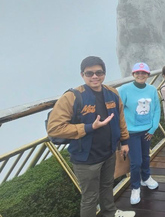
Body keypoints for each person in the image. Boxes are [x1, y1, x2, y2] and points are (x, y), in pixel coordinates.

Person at [47, 56, 135, 217]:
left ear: (104, 74)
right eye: (89, 73)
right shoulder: (72, 97)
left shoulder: (112, 93)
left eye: (99, 72)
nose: (95, 76)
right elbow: (54, 129)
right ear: (82, 75)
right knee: (90, 197)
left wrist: (124, 141)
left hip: (108, 153)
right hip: (86, 158)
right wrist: (89, 127)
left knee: (107, 185)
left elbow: (120, 118)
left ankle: (110, 212)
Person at [118, 62, 161, 205]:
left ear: (148, 75)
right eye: (138, 73)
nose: (141, 75)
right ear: (133, 74)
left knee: (145, 157)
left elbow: (156, 109)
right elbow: (118, 111)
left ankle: (146, 178)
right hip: (131, 132)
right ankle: (135, 187)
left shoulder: (152, 90)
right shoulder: (124, 90)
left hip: (147, 131)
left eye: (144, 73)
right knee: (136, 162)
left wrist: (153, 127)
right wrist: (122, 131)